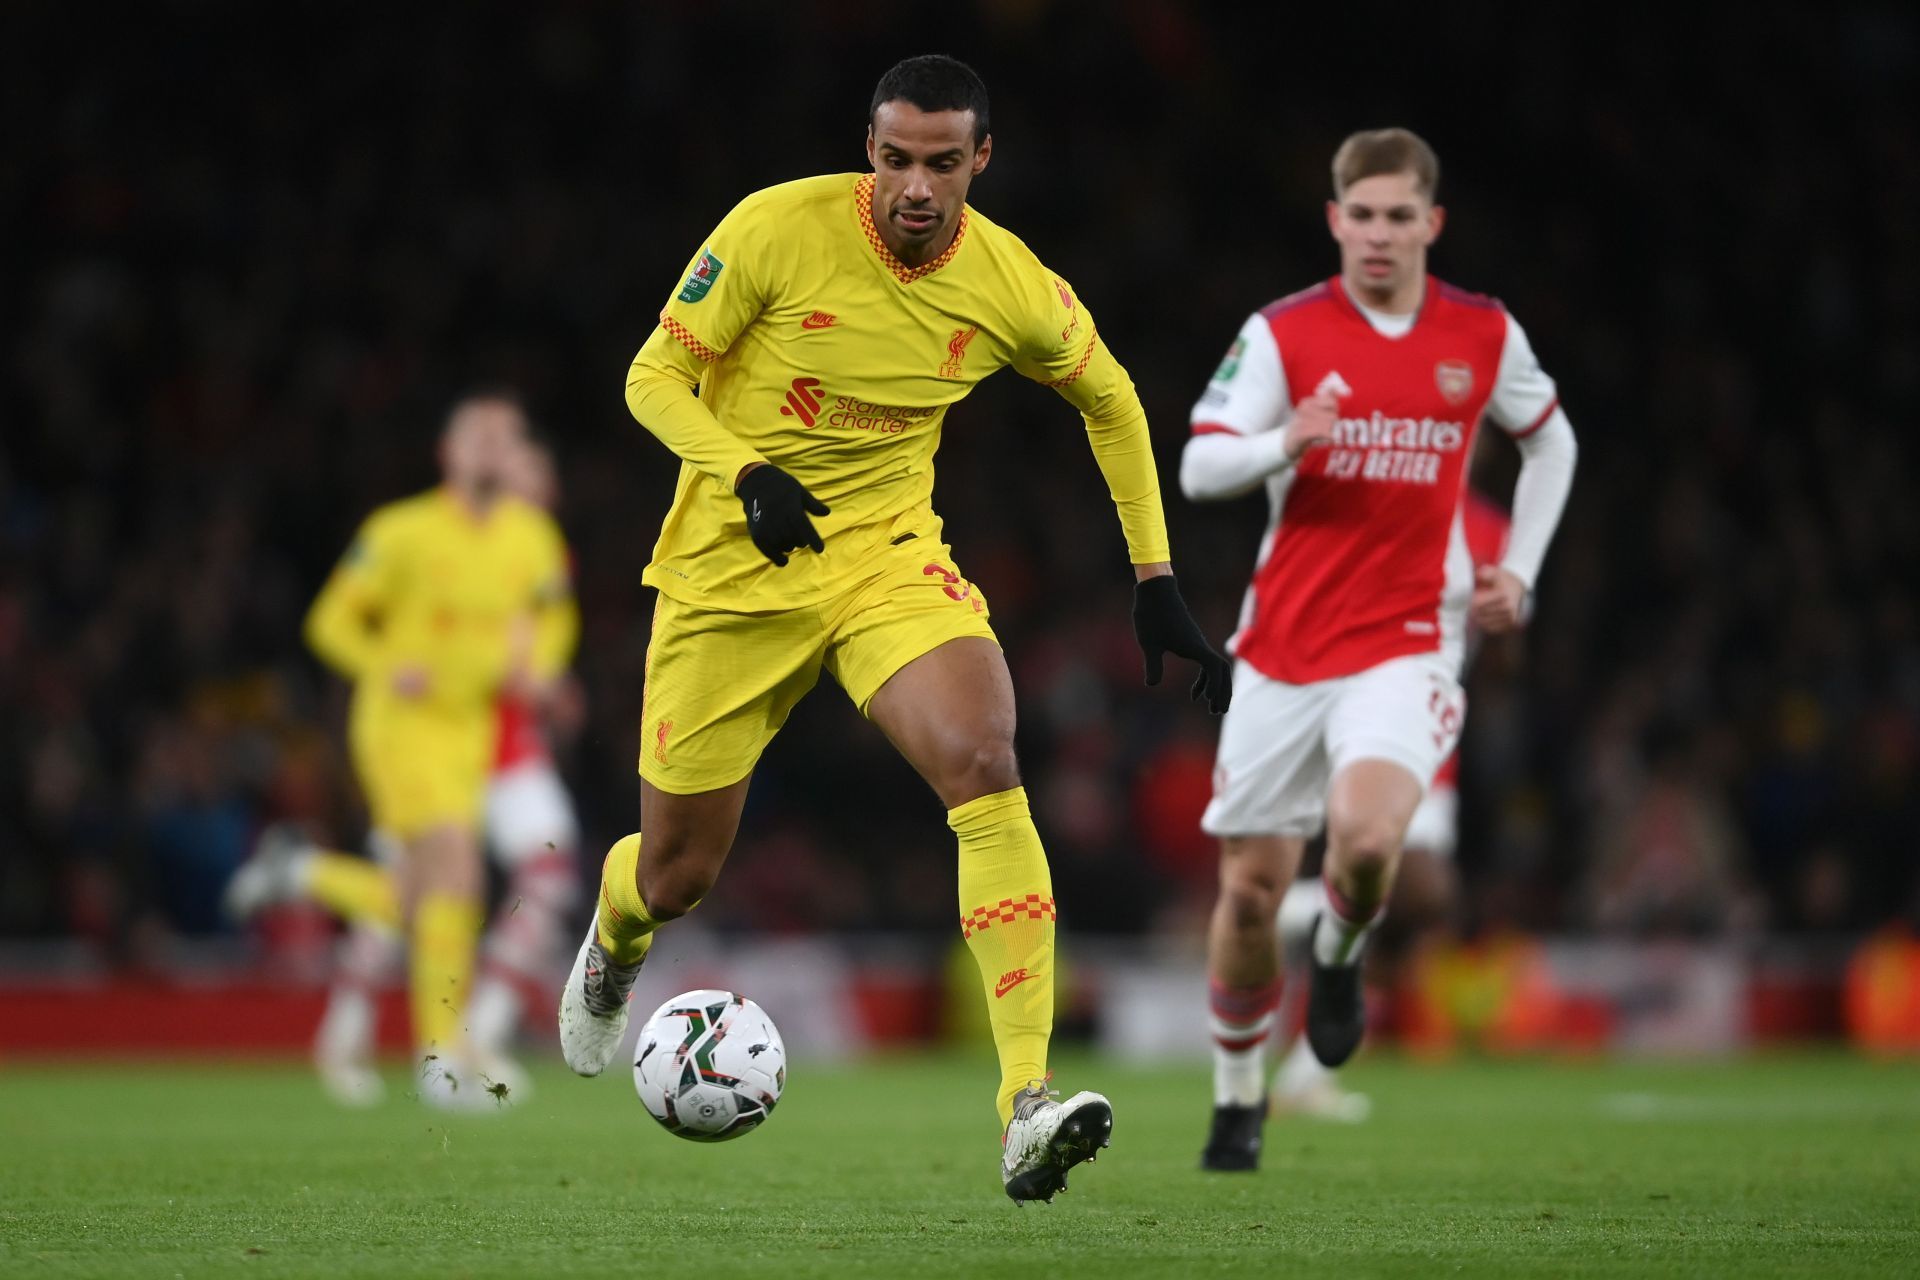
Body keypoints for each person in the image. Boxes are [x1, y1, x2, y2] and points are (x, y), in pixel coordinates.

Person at [556, 54, 1230, 1202]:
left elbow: (1110, 397)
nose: (915, 186)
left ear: (980, 159)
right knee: (676, 876)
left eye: (941, 162)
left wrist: (1155, 573)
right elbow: (651, 375)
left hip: (885, 558)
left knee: (985, 757)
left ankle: (1026, 1100)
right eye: (895, 159)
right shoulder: (775, 228)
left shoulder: (1008, 278)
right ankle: (619, 933)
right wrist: (745, 468)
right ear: (871, 150)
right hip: (732, 569)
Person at [1178, 128, 1578, 1171]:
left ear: (1431, 224)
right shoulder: (1284, 332)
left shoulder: (1480, 333)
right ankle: (1235, 1098)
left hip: (1405, 644)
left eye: (1401, 216)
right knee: (1251, 890)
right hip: (1280, 648)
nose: (1380, 234)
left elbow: (1553, 440)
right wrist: (1284, 442)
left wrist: (1520, 570)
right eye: (1363, 215)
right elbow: (1199, 464)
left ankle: (1344, 956)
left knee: (1365, 842)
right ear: (1336, 221)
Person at [226, 435, 582, 1107]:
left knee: (503, 885)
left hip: (499, 750)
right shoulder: (444, 543)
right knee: (414, 901)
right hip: (435, 743)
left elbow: (542, 647)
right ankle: (410, 1043)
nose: (534, 501)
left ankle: (457, 1035)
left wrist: (547, 680)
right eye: (523, 486)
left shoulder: (536, 554)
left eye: (543, 490)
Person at [1268, 488, 1511, 1122]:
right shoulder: (1382, 495)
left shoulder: (1492, 527)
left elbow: (1507, 633)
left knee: (1397, 927)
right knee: (1421, 890)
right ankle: (1287, 911)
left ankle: (1309, 1069)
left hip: (1436, 727)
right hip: (1368, 712)